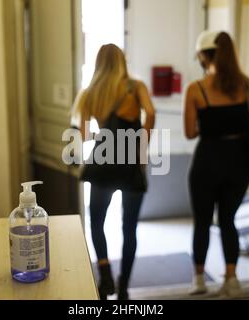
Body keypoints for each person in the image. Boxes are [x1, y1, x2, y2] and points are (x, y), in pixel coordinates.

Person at [73, 44, 155, 300]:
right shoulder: (135, 87)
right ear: (122, 60)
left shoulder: (90, 93)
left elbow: (85, 135)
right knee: (129, 228)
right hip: (131, 164)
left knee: (96, 222)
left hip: (102, 163)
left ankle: (105, 274)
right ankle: (123, 286)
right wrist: (143, 142)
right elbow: (151, 113)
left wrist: (103, 134)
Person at [183, 31, 249, 297]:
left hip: (207, 163)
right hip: (239, 163)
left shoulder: (197, 89)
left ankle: (199, 279)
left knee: (201, 222)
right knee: (228, 220)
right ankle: (231, 279)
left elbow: (190, 132)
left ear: (204, 56)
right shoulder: (246, 85)